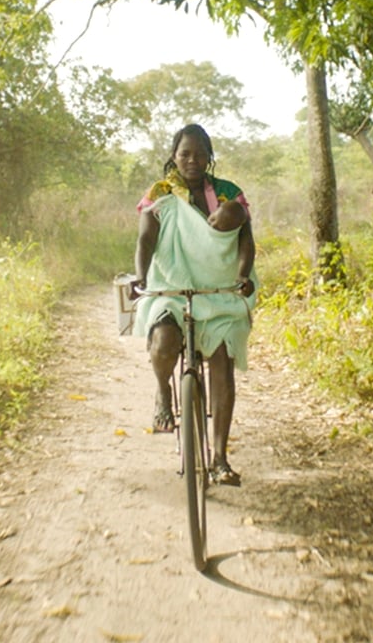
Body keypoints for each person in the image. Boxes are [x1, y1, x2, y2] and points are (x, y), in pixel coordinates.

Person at [131, 123, 257, 486]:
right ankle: (163, 391)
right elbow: (145, 241)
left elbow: (246, 242)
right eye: (185, 153)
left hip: (218, 290)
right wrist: (142, 277)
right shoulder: (161, 193)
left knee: (222, 363)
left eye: (200, 153)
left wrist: (243, 274)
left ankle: (219, 458)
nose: (193, 160)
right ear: (174, 155)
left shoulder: (228, 193)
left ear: (209, 157)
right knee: (164, 343)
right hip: (171, 286)